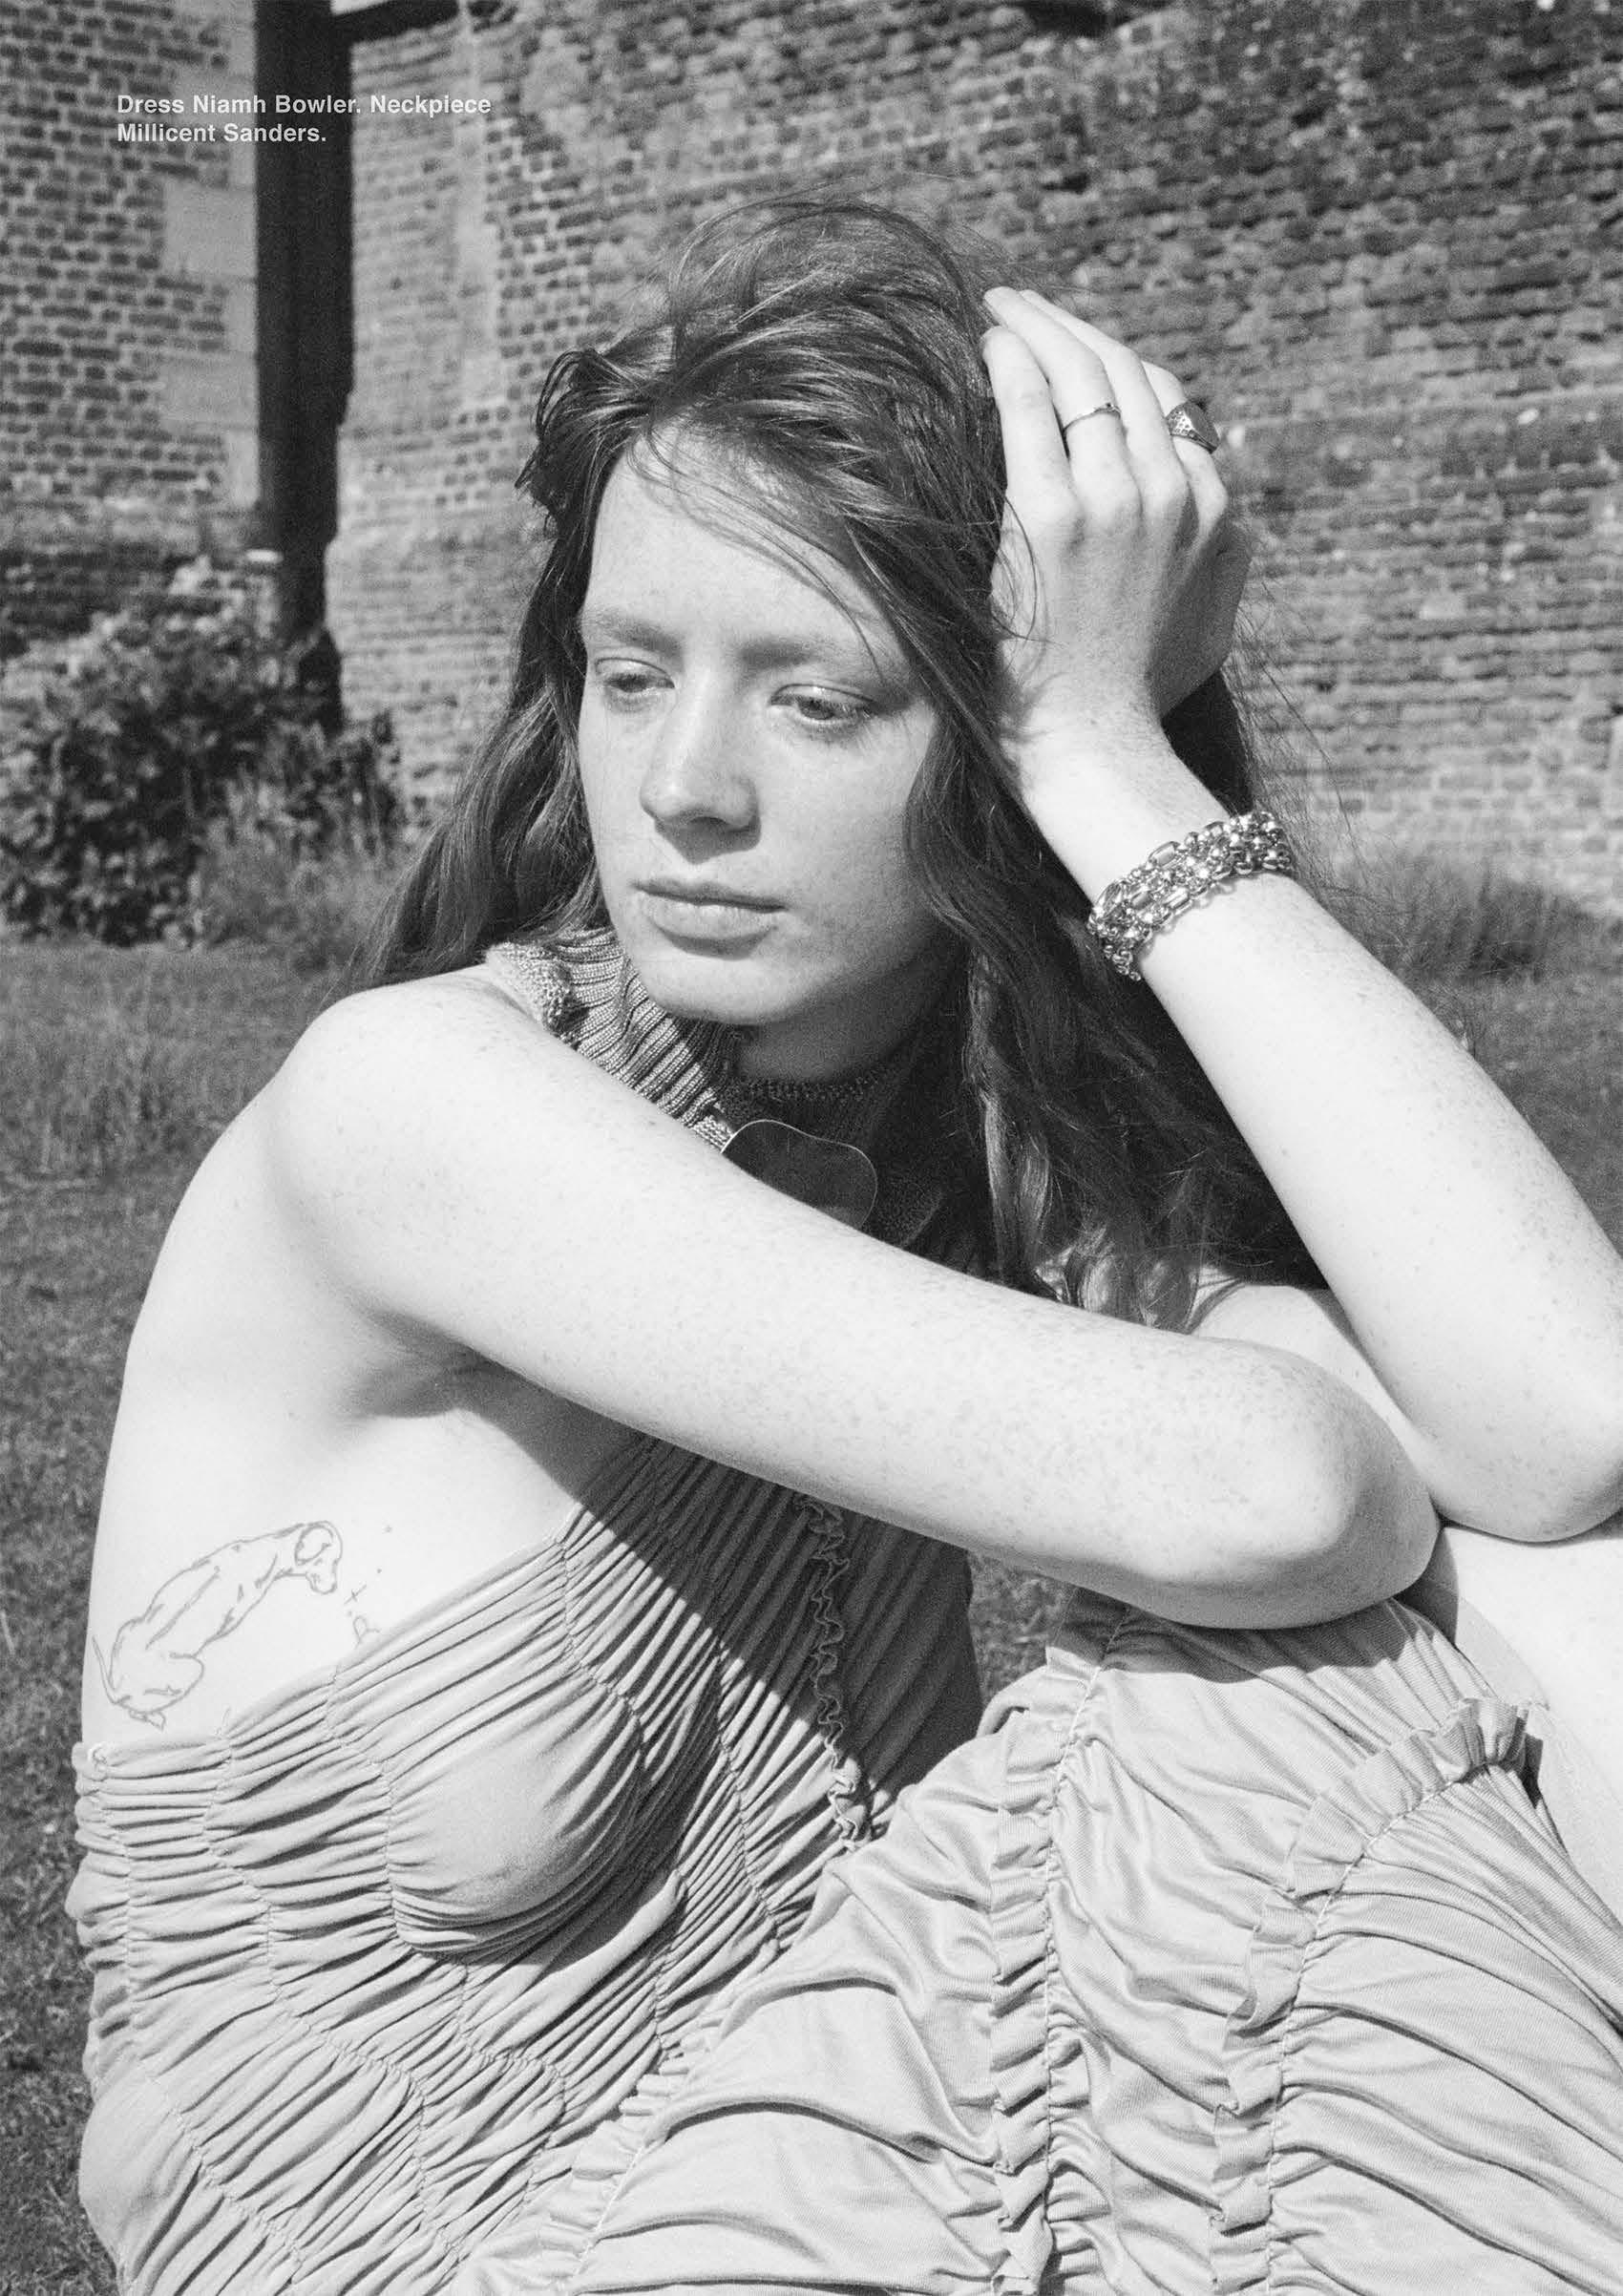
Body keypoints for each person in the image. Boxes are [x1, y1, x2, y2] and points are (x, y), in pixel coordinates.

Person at [69, 200, 1623, 2296]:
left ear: (990, 739)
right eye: (629, 675)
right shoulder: (407, 1112)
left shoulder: (959, 1160)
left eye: (821, 699)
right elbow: (1284, 1494)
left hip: (842, 2209)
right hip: (449, 2254)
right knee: (1271, 1697)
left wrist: (1114, 764)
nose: (683, 788)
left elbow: (1556, 1428)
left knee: (1557, 1585)